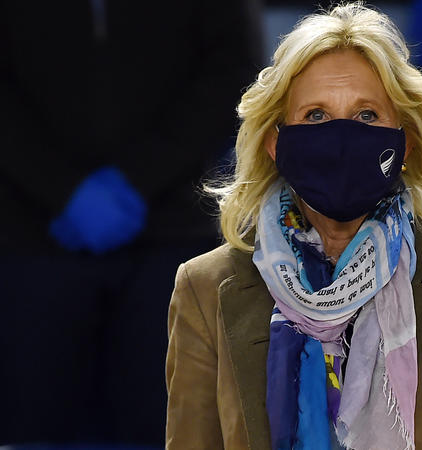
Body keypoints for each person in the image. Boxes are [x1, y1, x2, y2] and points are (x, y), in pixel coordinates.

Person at [165, 3, 422, 449]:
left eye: (367, 115)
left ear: (404, 141)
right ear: (275, 143)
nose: (341, 139)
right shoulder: (205, 287)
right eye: (316, 116)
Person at [0, 0, 262, 445]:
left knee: (170, 423)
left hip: (177, 229)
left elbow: (232, 70)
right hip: (28, 232)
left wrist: (137, 179)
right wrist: (63, 190)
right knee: (32, 424)